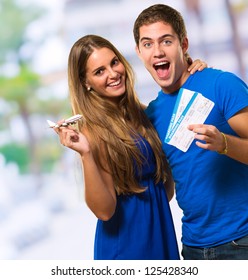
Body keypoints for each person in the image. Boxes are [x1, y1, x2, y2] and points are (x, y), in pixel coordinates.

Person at [51, 34, 206, 260]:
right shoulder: (92, 131)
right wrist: (86, 154)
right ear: (86, 83)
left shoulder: (143, 115)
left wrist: (192, 75)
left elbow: (166, 190)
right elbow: (104, 211)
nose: (113, 74)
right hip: (126, 248)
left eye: (114, 62)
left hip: (159, 234)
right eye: (99, 71)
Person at [133, 4, 248, 260]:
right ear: (139, 52)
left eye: (166, 41)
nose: (158, 51)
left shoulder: (221, 84)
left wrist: (225, 143)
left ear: (183, 44)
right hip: (193, 248)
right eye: (148, 44)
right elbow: (170, 186)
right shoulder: (151, 116)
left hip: (242, 240)